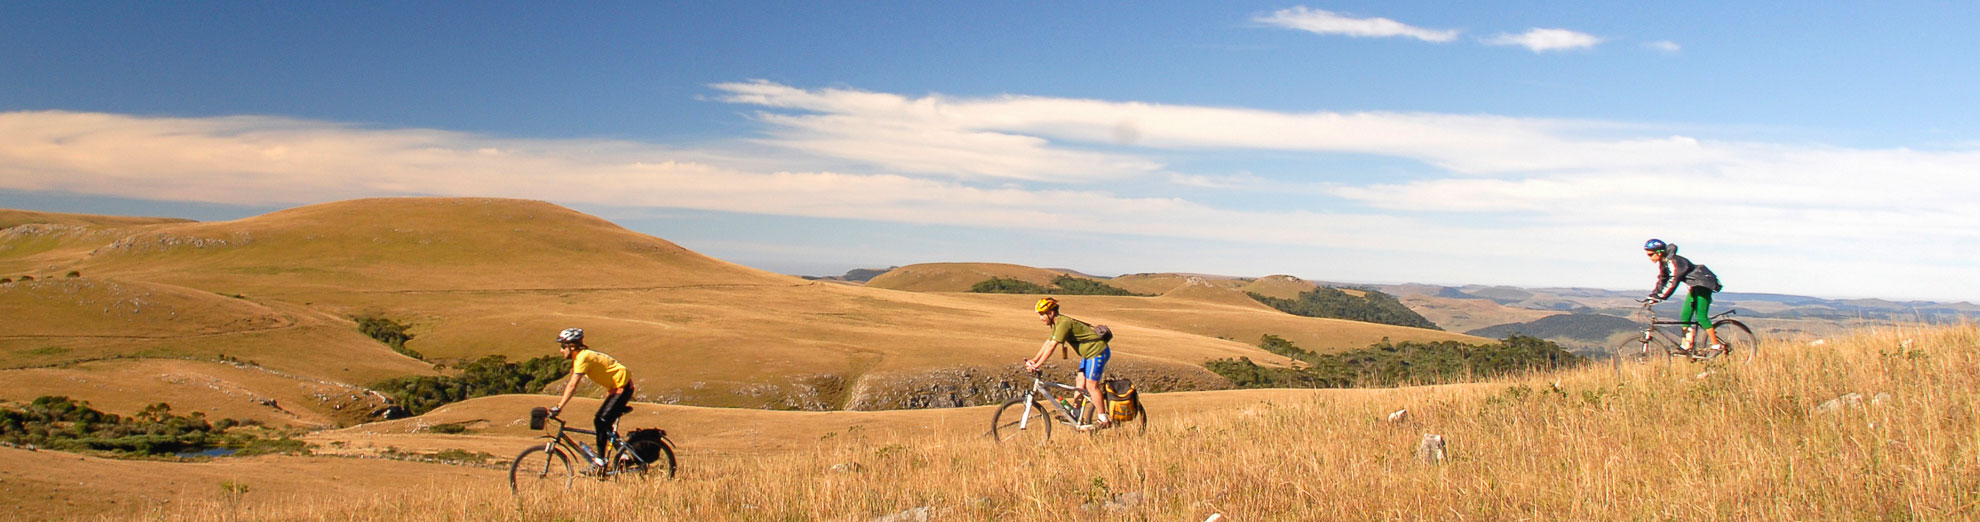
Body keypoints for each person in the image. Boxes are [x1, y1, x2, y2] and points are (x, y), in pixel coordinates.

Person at [547, 327, 634, 467]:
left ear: (572, 346)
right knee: (603, 421)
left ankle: (601, 461)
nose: (561, 350)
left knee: (600, 421)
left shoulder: (583, 357)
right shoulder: (581, 357)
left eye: (563, 346)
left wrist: (559, 407)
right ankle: (623, 456)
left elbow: (572, 386)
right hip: (616, 387)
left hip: (622, 386)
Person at [1022, 297, 1112, 429]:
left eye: (1042, 314)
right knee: (1080, 382)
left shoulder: (1063, 323)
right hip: (1088, 354)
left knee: (1092, 386)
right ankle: (1075, 413)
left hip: (1097, 352)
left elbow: (1053, 346)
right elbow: (1048, 342)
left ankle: (1103, 418)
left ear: (1051, 313)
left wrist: (1037, 365)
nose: (1041, 318)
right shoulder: (1058, 323)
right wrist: (1035, 359)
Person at [1643, 239, 1725, 352]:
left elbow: (1673, 280)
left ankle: (1716, 346)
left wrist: (1660, 297)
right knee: (1685, 316)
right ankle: (1688, 346)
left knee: (1701, 317)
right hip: (1695, 286)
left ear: (1659, 252)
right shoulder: (1664, 263)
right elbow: (1663, 280)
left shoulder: (1673, 261)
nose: (1650, 257)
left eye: (1651, 254)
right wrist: (1653, 295)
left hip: (1704, 285)